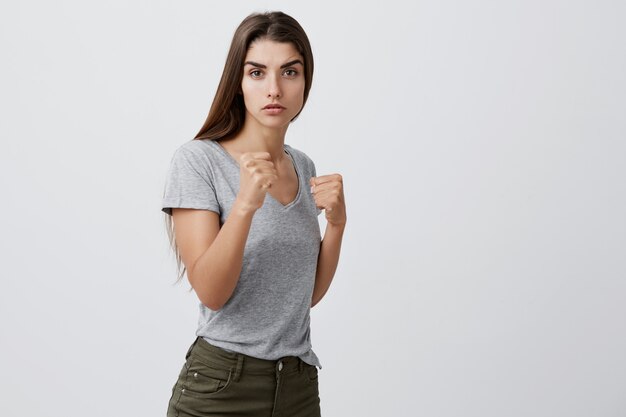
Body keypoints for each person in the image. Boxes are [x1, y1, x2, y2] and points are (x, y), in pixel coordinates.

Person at [160, 11, 347, 417]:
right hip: (222, 386)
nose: (274, 89)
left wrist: (336, 225)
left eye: (290, 72)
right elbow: (212, 291)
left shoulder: (304, 168)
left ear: (305, 82)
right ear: (238, 83)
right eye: (258, 72)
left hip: (297, 386)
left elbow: (302, 297)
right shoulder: (198, 161)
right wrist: (245, 204)